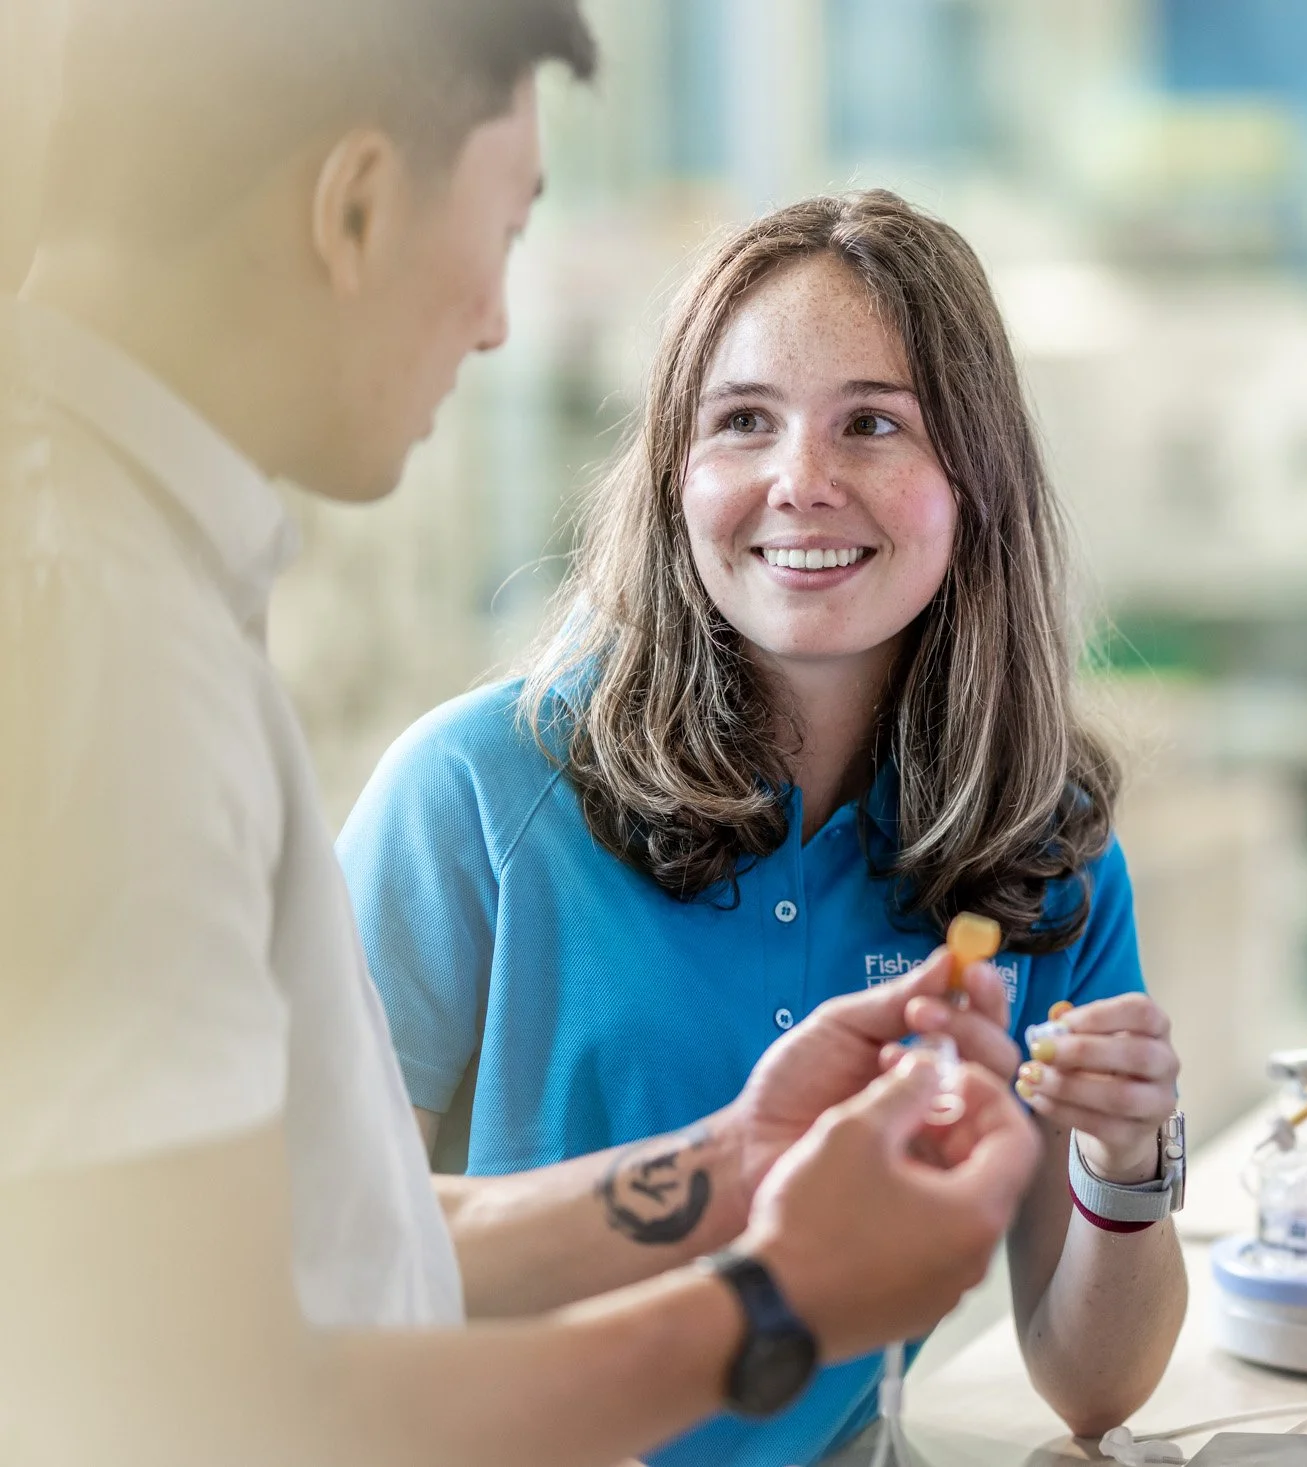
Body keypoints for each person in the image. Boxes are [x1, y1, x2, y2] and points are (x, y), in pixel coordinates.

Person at [0, 4, 1039, 1464]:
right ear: (354, 206)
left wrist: (734, 1163)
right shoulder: (95, 634)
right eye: (504, 227)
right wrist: (778, 1300)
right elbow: (213, 1407)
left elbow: (325, 1239)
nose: (495, 317)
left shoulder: (123, 572)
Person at [336, 191, 1191, 1463]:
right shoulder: (468, 797)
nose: (801, 482)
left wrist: (1126, 1162)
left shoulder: (1032, 840)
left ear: (975, 477)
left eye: (872, 425)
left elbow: (1090, 1387)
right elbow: (306, 1278)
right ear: (676, 474)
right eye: (743, 422)